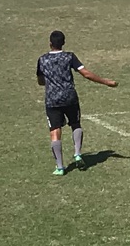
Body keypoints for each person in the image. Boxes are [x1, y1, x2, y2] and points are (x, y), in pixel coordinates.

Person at [36, 29, 116, 175]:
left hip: (52, 100)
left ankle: (60, 167)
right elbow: (85, 74)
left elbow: (40, 81)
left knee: (55, 130)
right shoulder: (69, 57)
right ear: (63, 43)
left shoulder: (42, 60)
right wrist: (106, 82)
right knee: (75, 124)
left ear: (50, 44)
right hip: (70, 97)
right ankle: (77, 153)